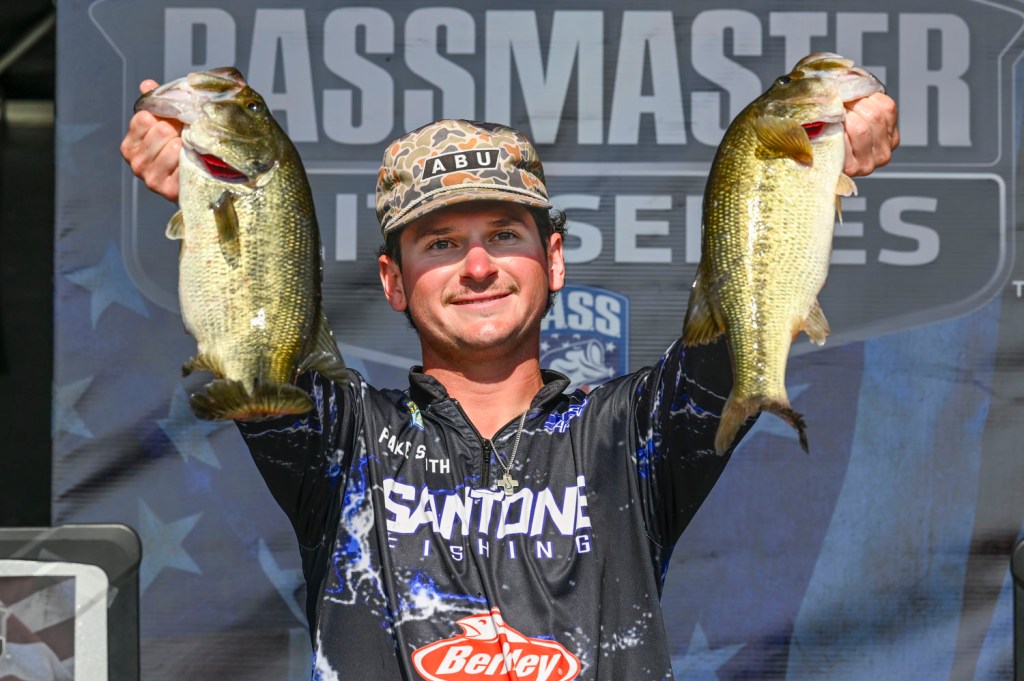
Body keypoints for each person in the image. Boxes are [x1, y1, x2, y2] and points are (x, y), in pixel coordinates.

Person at [122, 79, 898, 679]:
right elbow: (260, 324)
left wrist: (822, 136)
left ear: (552, 260)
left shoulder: (630, 437)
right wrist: (196, 158)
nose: (478, 266)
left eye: (503, 234)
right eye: (440, 242)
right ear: (393, 280)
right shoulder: (342, 441)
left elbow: (740, 318)